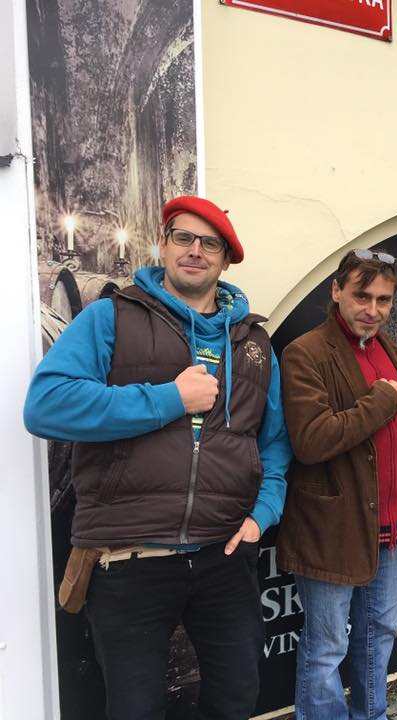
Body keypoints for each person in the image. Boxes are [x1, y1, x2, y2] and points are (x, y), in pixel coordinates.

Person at [23, 195, 292, 719]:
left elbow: (275, 441)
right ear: (163, 245)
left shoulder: (254, 342)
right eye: (183, 237)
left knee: (236, 696)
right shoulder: (111, 318)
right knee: (135, 709)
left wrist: (263, 514)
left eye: (209, 243)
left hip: (224, 554)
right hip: (130, 557)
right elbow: (46, 405)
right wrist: (170, 398)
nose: (195, 251)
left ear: (226, 259)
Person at [277, 249, 397, 720]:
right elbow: (310, 439)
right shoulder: (305, 353)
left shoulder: (388, 348)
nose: (373, 310)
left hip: (388, 528)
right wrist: (379, 402)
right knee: (327, 648)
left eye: (383, 300)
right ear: (337, 291)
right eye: (362, 296)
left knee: (378, 635)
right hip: (333, 530)